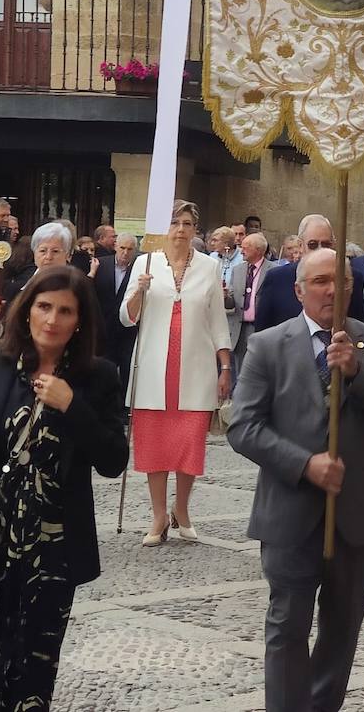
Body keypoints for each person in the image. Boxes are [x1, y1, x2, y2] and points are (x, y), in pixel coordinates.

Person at [0, 266, 128, 711]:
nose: (52, 319)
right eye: (44, 306)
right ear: (27, 309)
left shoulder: (98, 378)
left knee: (33, 667)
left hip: (52, 549)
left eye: (65, 311)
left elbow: (114, 460)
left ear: (80, 321)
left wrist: (73, 406)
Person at [227, 246, 364, 712]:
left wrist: (356, 373)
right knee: (286, 627)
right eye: (319, 282)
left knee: (341, 631)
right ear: (298, 290)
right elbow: (243, 426)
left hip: (356, 516)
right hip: (289, 513)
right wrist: (303, 463)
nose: (332, 289)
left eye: (341, 281)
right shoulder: (268, 345)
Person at [121, 200, 232, 546]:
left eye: (186, 223)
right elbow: (127, 317)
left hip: (195, 368)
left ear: (195, 230)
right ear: (163, 229)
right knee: (154, 445)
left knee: (188, 443)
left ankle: (181, 508)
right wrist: (139, 289)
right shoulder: (145, 262)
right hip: (154, 367)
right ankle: (158, 515)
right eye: (174, 223)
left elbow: (217, 319)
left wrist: (225, 365)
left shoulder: (209, 267)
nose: (180, 229)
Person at [254, 215, 336, 332]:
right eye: (312, 245)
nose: (320, 250)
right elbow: (263, 331)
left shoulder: (350, 279)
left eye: (326, 245)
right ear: (301, 245)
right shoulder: (277, 278)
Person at [0, 222, 72, 322]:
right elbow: (5, 331)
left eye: (55, 251)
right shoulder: (17, 289)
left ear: (67, 254)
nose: (48, 257)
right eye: (43, 251)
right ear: (34, 253)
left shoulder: (77, 286)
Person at [224, 232, 274, 380]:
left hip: (262, 328)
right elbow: (231, 303)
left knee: (262, 370)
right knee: (240, 372)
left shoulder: (274, 270)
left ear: (258, 250)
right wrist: (226, 297)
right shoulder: (238, 270)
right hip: (240, 328)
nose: (241, 250)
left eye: (245, 247)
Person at [93, 232, 139, 393]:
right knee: (102, 372)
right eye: (122, 248)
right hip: (103, 329)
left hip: (128, 330)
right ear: (115, 247)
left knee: (127, 370)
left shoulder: (138, 269)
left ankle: (123, 410)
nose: (125, 253)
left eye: (130, 249)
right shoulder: (100, 265)